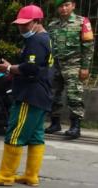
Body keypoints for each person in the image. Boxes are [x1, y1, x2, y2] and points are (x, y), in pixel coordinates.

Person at [0, 5, 52, 187]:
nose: (21, 28)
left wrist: (10, 68)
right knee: (36, 136)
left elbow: (32, 69)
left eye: (26, 24)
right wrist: (13, 68)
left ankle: (5, 176)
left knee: (15, 134)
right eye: (20, 24)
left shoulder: (37, 41)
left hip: (30, 95)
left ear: (37, 22)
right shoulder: (46, 39)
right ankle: (31, 175)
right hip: (41, 95)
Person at [46, 0, 94, 139]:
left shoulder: (82, 22)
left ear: (73, 6)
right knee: (53, 94)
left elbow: (88, 47)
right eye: (61, 6)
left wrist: (85, 67)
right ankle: (55, 123)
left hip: (74, 65)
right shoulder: (52, 25)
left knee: (74, 95)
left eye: (66, 5)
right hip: (55, 65)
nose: (64, 8)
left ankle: (75, 126)